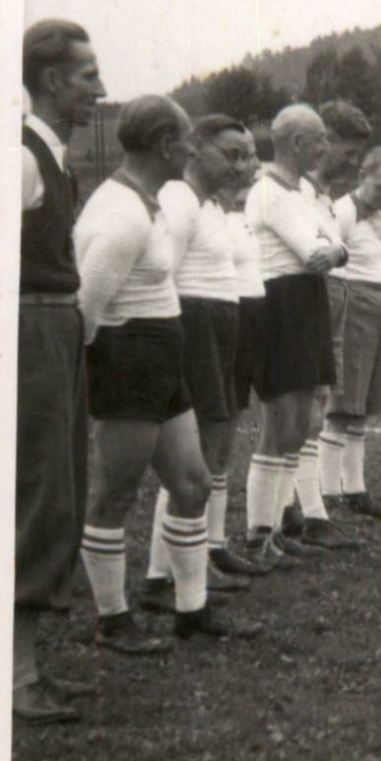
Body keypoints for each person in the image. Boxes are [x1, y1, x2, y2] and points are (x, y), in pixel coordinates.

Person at [76, 95, 263, 651]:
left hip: (163, 353)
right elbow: (86, 309)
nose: (191, 149)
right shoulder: (122, 214)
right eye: (186, 140)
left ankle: (192, 610)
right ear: (165, 145)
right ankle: (113, 619)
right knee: (114, 493)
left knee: (193, 482)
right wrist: (95, 380)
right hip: (128, 356)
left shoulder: (151, 201)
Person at [14, 20, 104, 723]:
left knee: (59, 484)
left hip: (57, 320)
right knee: (38, 490)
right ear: (51, 80)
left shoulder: (55, 154)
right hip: (30, 324)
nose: (98, 90)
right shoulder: (17, 157)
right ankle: (14, 679)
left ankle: (28, 667)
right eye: (86, 76)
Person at [139, 115, 263, 612]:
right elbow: (160, 273)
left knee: (215, 447)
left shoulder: (215, 205)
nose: (241, 164)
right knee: (190, 457)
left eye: (246, 155)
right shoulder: (179, 199)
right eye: (231, 154)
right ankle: (158, 575)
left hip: (220, 320)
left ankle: (204, 551)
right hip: (192, 324)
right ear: (196, 150)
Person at [242, 105, 348, 567]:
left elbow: (337, 243)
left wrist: (335, 250)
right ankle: (257, 535)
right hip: (280, 303)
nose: (327, 148)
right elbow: (312, 251)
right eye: (320, 139)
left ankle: (278, 530)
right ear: (298, 142)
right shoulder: (268, 192)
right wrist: (331, 249)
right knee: (281, 426)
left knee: (300, 424)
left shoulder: (302, 190)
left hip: (306, 301)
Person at [325, 147, 381, 521]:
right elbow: (330, 261)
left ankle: (355, 487)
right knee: (344, 404)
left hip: (379, 301)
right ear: (363, 174)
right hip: (353, 302)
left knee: (363, 407)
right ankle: (328, 493)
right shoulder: (343, 210)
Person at [310, 102, 375, 519]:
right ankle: (306, 508)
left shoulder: (323, 196)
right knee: (310, 412)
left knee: (321, 403)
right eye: (347, 153)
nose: (351, 164)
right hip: (310, 301)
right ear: (322, 140)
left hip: (334, 299)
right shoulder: (290, 192)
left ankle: (313, 508)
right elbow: (321, 253)